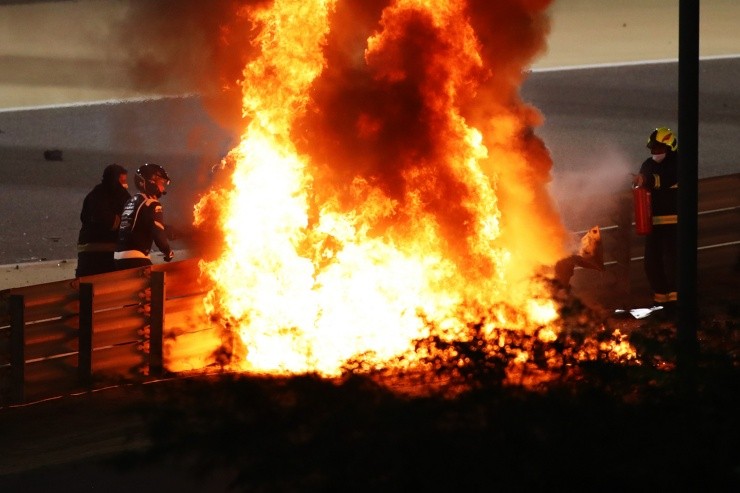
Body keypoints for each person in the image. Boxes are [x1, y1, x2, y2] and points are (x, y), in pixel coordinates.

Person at [632, 127, 678, 310]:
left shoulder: (679, 163)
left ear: (669, 147)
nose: (654, 153)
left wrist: (645, 181)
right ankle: (660, 302)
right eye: (652, 149)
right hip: (654, 223)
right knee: (651, 263)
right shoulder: (648, 164)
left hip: (676, 223)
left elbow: (664, 180)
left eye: (658, 149)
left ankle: (677, 304)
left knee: (674, 263)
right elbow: (643, 186)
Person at [114, 163, 175, 270]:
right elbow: (158, 233)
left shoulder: (131, 201)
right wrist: (168, 252)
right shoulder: (152, 203)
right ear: (151, 182)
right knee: (162, 281)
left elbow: (142, 224)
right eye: (161, 183)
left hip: (118, 258)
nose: (163, 187)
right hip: (136, 257)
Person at [76, 164, 131, 277]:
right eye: (123, 181)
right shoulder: (117, 196)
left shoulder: (93, 195)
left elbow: (84, 218)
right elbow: (112, 222)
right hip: (106, 256)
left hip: (86, 255)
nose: (125, 185)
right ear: (114, 180)